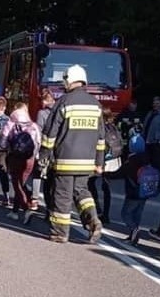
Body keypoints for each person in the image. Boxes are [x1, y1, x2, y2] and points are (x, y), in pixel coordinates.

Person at [38, 64, 105, 244]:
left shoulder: (64, 102)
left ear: (69, 80)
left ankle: (60, 233)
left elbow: (50, 133)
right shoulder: (96, 105)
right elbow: (101, 138)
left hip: (64, 161)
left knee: (62, 196)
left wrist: (44, 155)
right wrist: (99, 163)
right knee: (82, 192)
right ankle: (93, 221)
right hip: (87, 162)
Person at [104, 135, 152, 245]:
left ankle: (134, 230)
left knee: (126, 214)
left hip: (133, 192)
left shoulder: (131, 161)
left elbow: (118, 174)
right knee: (137, 214)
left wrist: (104, 174)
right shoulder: (146, 159)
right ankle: (133, 237)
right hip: (145, 192)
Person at [0, 102, 41, 224]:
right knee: (21, 182)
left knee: (17, 184)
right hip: (30, 158)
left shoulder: (12, 122)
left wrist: (3, 148)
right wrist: (35, 155)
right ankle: (15, 211)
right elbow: (38, 141)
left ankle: (26, 208)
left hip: (16, 157)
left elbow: (3, 138)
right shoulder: (33, 125)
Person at [89, 107, 120, 224]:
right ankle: (106, 215)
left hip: (100, 160)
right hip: (113, 160)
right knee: (107, 188)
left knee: (90, 183)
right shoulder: (114, 127)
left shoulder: (100, 127)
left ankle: (98, 210)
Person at [31, 90, 56, 212]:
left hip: (45, 148)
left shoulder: (42, 113)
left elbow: (39, 131)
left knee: (38, 174)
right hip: (57, 150)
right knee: (51, 178)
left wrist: (37, 150)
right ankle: (51, 206)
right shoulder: (60, 111)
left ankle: (34, 200)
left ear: (45, 101)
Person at [142, 96, 160, 169]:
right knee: (147, 162)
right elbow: (145, 125)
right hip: (147, 141)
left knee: (157, 163)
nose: (155, 105)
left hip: (157, 142)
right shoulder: (150, 113)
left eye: (157, 103)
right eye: (154, 103)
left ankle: (158, 178)